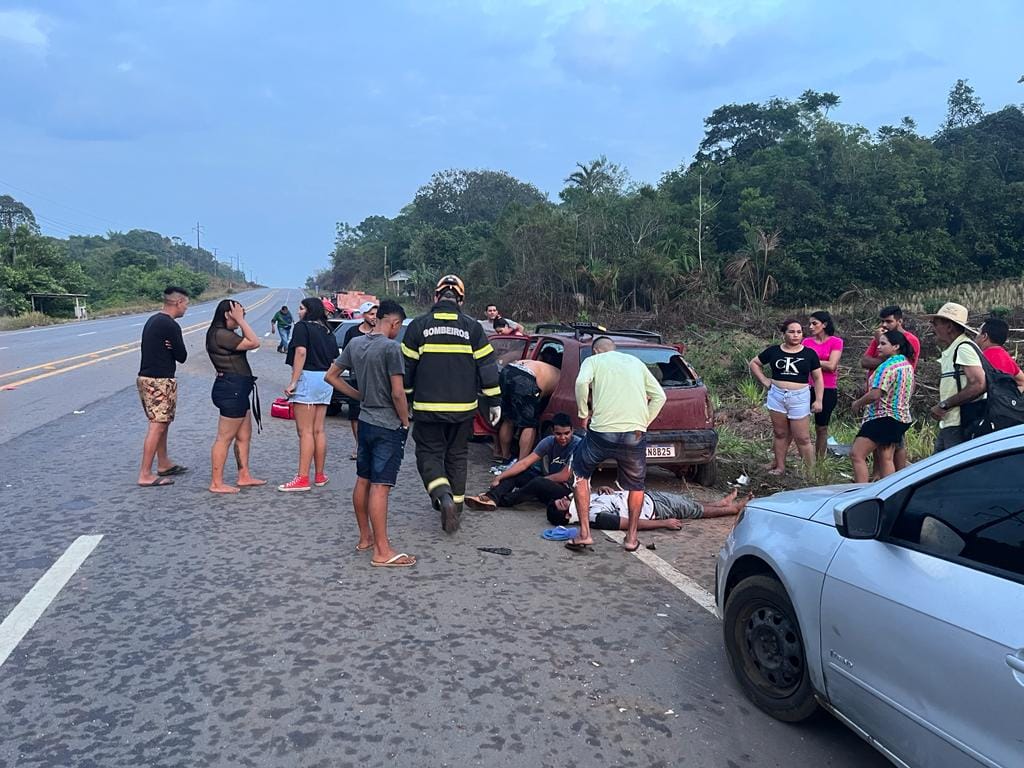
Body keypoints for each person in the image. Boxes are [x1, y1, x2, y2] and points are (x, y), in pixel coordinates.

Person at [403, 275, 501, 533]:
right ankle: (456, 508)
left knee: (429, 453)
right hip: (463, 411)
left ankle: (443, 496)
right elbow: (488, 368)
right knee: (457, 456)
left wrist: (407, 399)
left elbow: (406, 370)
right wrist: (494, 402)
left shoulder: (418, 327)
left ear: (436, 297)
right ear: (460, 300)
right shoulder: (472, 328)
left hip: (427, 410)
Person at [325, 300, 415, 567]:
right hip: (387, 424)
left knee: (363, 479)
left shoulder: (355, 344)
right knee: (381, 486)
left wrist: (358, 396)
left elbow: (331, 376)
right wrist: (405, 420)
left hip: (364, 421)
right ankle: (382, 550)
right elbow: (398, 392)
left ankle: (365, 538)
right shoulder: (391, 348)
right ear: (395, 322)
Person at [567, 336, 666, 553]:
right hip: (635, 435)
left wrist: (584, 413)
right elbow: (659, 395)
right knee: (636, 485)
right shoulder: (636, 363)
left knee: (580, 473)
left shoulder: (593, 362)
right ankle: (631, 539)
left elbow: (582, 382)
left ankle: (584, 534)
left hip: (602, 432)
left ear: (596, 351)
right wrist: (644, 423)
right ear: (614, 349)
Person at [279, 297, 341, 491]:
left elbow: (301, 353)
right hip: (325, 379)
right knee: (318, 430)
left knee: (304, 431)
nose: (298, 312)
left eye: (301, 308)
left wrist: (294, 381)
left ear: (309, 310)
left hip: (308, 377)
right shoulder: (327, 330)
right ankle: (320, 475)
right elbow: (334, 357)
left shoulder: (302, 327)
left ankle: (302, 478)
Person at [748, 319, 824, 476]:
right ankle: (780, 467)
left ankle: (811, 473)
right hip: (777, 395)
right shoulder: (774, 351)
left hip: (800, 397)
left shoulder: (809, 354)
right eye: (791, 331)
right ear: (783, 334)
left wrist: (818, 400)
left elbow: (818, 378)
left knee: (803, 438)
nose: (795, 335)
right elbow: (754, 363)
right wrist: (764, 380)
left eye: (799, 332)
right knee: (780, 433)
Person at [206, 299, 266, 493]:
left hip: (238, 389)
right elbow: (254, 342)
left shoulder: (226, 334)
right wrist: (240, 320)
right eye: (240, 314)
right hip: (231, 390)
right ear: (227, 315)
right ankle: (216, 482)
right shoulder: (220, 334)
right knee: (224, 437)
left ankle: (244, 475)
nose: (243, 318)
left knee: (244, 435)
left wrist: (239, 319)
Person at [466, 413, 579, 510]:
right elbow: (524, 463)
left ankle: (502, 501)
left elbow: (564, 476)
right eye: (558, 434)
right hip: (548, 482)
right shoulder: (549, 441)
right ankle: (491, 497)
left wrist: (539, 481)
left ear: (572, 431)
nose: (563, 437)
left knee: (538, 482)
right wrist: (500, 477)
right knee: (520, 473)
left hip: (567, 491)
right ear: (553, 432)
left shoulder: (578, 445)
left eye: (566, 433)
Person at [136, 286, 190, 487]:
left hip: (147, 377)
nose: (186, 308)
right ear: (178, 302)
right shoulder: (170, 326)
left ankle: (163, 462)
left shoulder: (153, 320)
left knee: (162, 421)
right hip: (159, 380)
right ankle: (145, 474)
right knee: (157, 425)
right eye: (186, 304)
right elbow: (182, 355)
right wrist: (172, 347)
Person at [850, 330, 916, 483]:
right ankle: (890, 492)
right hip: (901, 417)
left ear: (896, 346)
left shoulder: (887, 367)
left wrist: (857, 403)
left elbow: (875, 394)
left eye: (883, 343)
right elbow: (911, 389)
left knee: (857, 454)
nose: (878, 347)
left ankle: (861, 492)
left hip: (882, 417)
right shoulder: (906, 365)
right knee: (886, 457)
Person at [861, 305, 921, 472]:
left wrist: (888, 361)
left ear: (899, 321)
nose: (885, 325)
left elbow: (903, 365)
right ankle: (877, 475)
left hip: (894, 398)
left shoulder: (910, 340)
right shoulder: (881, 338)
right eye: (882, 321)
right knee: (880, 444)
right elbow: (864, 361)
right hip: (877, 401)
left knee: (894, 444)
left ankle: (896, 478)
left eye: (889, 321)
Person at [925, 302, 986, 453]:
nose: (933, 327)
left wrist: (944, 405)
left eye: (935, 323)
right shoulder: (955, 348)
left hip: (960, 423)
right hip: (951, 422)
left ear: (949, 327)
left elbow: (979, 384)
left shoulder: (963, 348)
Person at [548, 487, 752, 530]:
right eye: (561, 504)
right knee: (693, 511)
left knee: (688, 504)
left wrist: (603, 490)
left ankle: (720, 504)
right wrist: (663, 523)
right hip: (654, 509)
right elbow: (629, 524)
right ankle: (732, 509)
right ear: (567, 515)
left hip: (647, 497)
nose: (563, 500)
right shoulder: (595, 518)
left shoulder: (585, 504)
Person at [496, 357, 561, 465]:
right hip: (525, 378)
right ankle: (522, 463)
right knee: (529, 424)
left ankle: (505, 456)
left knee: (508, 419)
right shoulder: (563, 377)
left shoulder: (542, 366)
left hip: (508, 369)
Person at [803, 311, 844, 458]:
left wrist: (811, 362)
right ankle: (806, 458)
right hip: (807, 386)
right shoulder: (806, 342)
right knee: (800, 425)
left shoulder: (836, 342)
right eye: (810, 324)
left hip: (828, 388)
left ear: (824, 324)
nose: (811, 327)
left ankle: (820, 460)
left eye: (815, 323)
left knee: (821, 427)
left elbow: (832, 365)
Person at [342, 302, 379, 461]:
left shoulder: (380, 332)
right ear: (363, 315)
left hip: (375, 380)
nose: (374, 317)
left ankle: (373, 445)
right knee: (355, 413)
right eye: (371, 314)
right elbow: (345, 355)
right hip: (356, 379)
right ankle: (359, 445)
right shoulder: (352, 333)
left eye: (376, 314)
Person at [976, 317, 1024, 388]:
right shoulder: (1006, 356)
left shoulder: (981, 358)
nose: (976, 336)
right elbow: (1022, 381)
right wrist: (1010, 397)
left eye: (979, 332)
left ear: (985, 336)